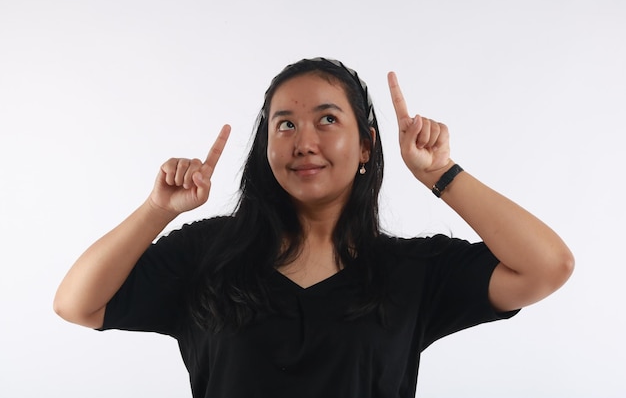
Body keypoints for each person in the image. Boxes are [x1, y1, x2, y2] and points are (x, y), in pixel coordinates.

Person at [54, 57, 574, 397]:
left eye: (328, 120)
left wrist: (440, 174)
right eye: (285, 124)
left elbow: (547, 266)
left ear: (367, 144)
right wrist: (158, 209)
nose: (304, 142)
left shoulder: (413, 271)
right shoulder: (208, 254)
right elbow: (77, 304)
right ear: (267, 146)